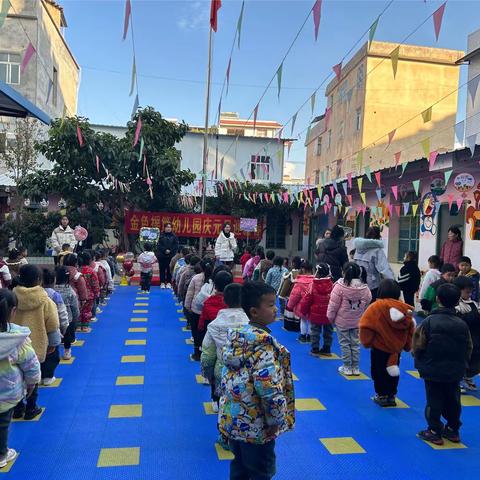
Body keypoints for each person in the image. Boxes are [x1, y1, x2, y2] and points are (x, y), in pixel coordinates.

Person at [219, 282, 295, 479]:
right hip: (258, 425)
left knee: (240, 467)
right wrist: (276, 419)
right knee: (261, 470)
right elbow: (269, 389)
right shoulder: (262, 347)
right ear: (253, 311)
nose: (276, 308)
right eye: (270, 305)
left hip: (235, 420)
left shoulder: (237, 340)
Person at [413, 283, 472, 445]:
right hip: (455, 370)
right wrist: (462, 364)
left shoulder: (429, 322)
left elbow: (418, 345)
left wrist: (420, 362)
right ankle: (453, 429)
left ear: (437, 299)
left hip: (433, 369)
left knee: (434, 400)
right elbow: (469, 347)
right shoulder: (462, 324)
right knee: (453, 399)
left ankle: (433, 430)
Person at [0, 289, 41, 468]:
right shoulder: (17, 338)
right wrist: (32, 383)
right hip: (7, 393)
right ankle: (2, 454)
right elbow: (30, 364)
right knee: (2, 424)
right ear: (13, 311)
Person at [13, 265, 60, 420]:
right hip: (35, 345)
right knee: (33, 377)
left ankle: (18, 408)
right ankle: (31, 407)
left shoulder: (12, 298)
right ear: (39, 280)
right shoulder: (45, 300)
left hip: (13, 346)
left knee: (16, 377)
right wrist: (53, 344)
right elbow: (52, 323)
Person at [359, 279, 415, 407]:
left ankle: (381, 395)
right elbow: (410, 329)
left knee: (378, 371)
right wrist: (407, 345)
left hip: (379, 348)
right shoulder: (405, 309)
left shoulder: (376, 307)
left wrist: (367, 342)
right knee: (393, 371)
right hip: (396, 350)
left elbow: (366, 325)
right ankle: (391, 395)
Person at [201, 283, 249, 414]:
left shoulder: (214, 325)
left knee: (225, 410)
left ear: (224, 300)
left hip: (222, 372)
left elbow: (207, 356)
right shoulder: (251, 324)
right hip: (247, 375)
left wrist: (208, 375)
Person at [327, 262, 371, 375]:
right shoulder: (365, 288)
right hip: (357, 322)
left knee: (345, 344)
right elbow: (367, 303)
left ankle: (347, 367)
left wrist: (330, 318)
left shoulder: (339, 287)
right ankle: (355, 367)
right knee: (355, 344)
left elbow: (333, 305)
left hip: (342, 322)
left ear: (344, 272)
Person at [299, 263, 334, 356]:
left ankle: (315, 349)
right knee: (328, 332)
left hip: (315, 313)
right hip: (329, 314)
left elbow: (307, 299)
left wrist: (303, 310)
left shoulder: (313, 285)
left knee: (315, 331)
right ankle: (327, 348)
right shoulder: (332, 285)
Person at [453, 276, 480, 391]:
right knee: (460, 360)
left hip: (475, 337)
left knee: (476, 360)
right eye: (467, 291)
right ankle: (456, 380)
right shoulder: (454, 304)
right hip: (461, 338)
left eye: (470, 291)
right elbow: (460, 320)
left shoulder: (474, 304)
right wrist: (476, 315)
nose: (469, 294)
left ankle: (468, 376)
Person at [354, 226, 394, 301]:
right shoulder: (377, 250)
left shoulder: (358, 249)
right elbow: (385, 269)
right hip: (372, 286)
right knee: (372, 309)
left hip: (358, 284)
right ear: (378, 236)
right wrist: (393, 284)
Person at [41, 269, 67, 385]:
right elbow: (62, 313)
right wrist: (64, 327)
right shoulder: (55, 295)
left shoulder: (37, 294)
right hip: (52, 329)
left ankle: (39, 375)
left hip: (38, 328)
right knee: (52, 354)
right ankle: (48, 376)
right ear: (54, 280)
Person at [185, 260, 213, 361]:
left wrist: (187, 306)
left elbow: (190, 293)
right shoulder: (213, 280)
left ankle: (197, 354)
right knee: (205, 332)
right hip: (209, 311)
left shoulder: (196, 277)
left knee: (196, 330)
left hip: (196, 309)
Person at [197, 270, 233, 345]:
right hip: (230, 342)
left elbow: (201, 326)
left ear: (215, 286)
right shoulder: (233, 303)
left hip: (211, 340)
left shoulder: (208, 302)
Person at [54, 267, 79, 361]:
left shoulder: (51, 290)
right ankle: (67, 351)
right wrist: (75, 319)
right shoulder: (70, 291)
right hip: (67, 318)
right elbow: (75, 307)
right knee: (67, 336)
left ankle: (53, 352)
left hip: (53, 318)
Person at [286, 261, 314, 342]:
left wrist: (290, 305)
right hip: (313, 305)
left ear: (303, 269)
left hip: (302, 306)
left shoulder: (300, 282)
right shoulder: (315, 280)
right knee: (311, 321)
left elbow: (294, 295)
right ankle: (309, 336)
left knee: (303, 320)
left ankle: (302, 335)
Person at [63, 254, 88, 335]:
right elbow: (82, 288)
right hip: (73, 299)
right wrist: (83, 299)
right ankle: (71, 336)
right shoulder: (77, 275)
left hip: (58, 297)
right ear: (76, 263)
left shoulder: (59, 272)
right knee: (73, 317)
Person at [78, 252, 99, 331]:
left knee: (79, 310)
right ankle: (85, 326)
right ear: (90, 260)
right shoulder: (91, 271)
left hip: (79, 294)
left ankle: (78, 326)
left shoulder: (78, 270)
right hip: (89, 294)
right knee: (87, 311)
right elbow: (95, 283)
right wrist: (96, 292)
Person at [156, 223, 179, 289]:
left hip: (171, 256)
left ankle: (169, 282)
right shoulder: (160, 235)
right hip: (162, 255)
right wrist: (164, 250)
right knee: (162, 269)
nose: (168, 228)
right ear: (164, 228)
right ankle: (162, 282)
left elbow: (176, 246)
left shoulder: (174, 236)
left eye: (170, 227)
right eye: (167, 227)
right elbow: (158, 245)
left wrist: (170, 251)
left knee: (170, 269)